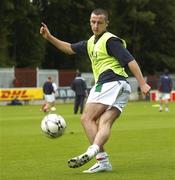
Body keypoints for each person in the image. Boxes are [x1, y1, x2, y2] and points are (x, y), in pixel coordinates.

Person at [40, 8, 151, 173]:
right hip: (122, 87)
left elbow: (130, 60)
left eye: (99, 22)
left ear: (107, 23)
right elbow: (69, 48)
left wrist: (142, 83)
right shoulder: (91, 42)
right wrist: (49, 37)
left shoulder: (110, 41)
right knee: (103, 122)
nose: (96, 25)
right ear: (90, 22)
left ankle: (96, 154)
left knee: (86, 119)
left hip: (109, 82)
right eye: (93, 22)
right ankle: (101, 160)